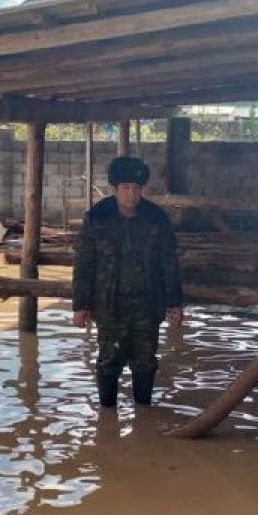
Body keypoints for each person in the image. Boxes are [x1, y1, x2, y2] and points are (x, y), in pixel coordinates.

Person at [72, 156, 184, 408]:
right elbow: (84, 264)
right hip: (109, 304)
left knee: (145, 361)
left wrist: (174, 304)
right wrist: (81, 305)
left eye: (136, 188)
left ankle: (143, 413)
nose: (131, 194)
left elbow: (169, 263)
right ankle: (107, 414)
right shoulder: (97, 218)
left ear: (142, 190)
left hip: (147, 303)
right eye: (125, 188)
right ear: (115, 189)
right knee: (109, 359)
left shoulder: (156, 219)